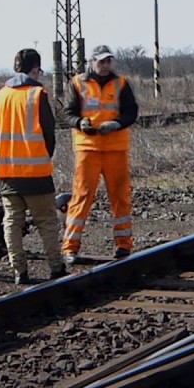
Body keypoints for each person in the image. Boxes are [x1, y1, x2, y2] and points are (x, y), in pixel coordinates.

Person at [0, 49, 67, 285]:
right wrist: (44, 157)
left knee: (12, 222)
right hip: (36, 173)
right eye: (39, 71)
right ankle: (56, 268)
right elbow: (49, 134)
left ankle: (19, 271)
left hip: (7, 174)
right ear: (34, 69)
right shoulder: (37, 95)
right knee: (47, 221)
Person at [62, 44, 139, 263]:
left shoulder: (121, 83)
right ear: (92, 61)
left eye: (108, 61)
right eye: (101, 61)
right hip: (88, 148)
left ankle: (124, 246)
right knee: (82, 197)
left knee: (120, 197)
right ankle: (70, 247)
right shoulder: (78, 83)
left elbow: (131, 112)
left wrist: (116, 124)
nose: (105, 65)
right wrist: (80, 122)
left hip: (116, 148)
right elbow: (67, 113)